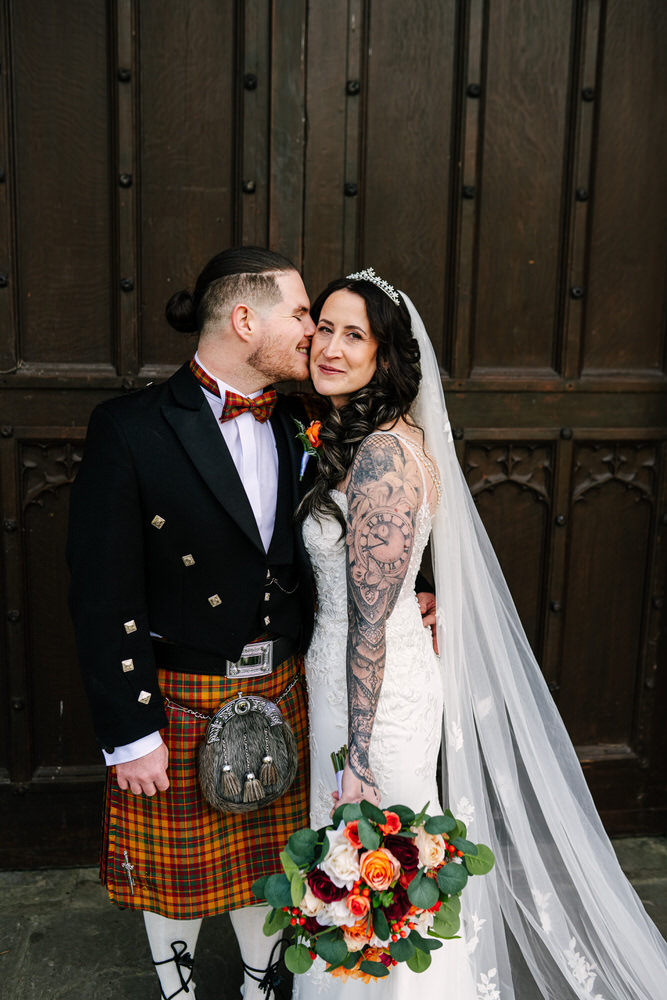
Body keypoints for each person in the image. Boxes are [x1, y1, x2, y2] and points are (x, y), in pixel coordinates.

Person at [294, 268, 667, 999]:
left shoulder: (381, 457)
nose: (329, 348)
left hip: (371, 697)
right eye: (324, 329)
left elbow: (369, 623)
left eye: (353, 336)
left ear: (385, 357)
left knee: (377, 864)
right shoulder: (372, 436)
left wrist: (358, 754)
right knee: (375, 871)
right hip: (354, 677)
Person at [66, 246, 319, 1000]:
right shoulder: (131, 427)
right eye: (300, 313)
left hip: (286, 681)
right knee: (176, 874)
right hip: (179, 691)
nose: (312, 331)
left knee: (271, 863)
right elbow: (101, 589)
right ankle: (178, 994)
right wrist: (130, 731)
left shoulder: (305, 419)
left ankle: (258, 985)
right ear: (244, 320)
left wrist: (422, 589)